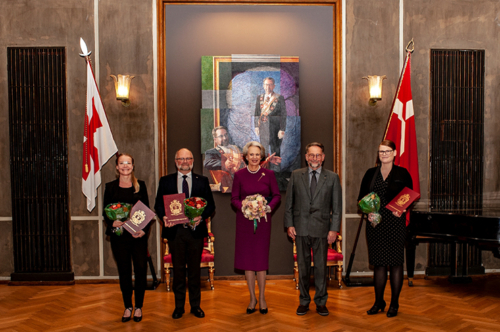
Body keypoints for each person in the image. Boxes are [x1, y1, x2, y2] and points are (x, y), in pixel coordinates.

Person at [154, 148, 216, 319]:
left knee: (195, 272)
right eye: (181, 158)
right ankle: (179, 306)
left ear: (192, 161)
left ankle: (196, 306)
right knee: (179, 272)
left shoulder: (202, 181)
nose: (184, 161)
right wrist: (164, 216)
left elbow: (211, 206)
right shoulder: (165, 181)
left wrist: (201, 217)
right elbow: (158, 204)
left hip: (195, 232)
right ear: (176, 161)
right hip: (175, 233)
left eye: (188, 158)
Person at [284, 142, 342, 317]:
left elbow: (337, 207)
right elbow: (289, 204)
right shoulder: (296, 175)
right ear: (306, 157)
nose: (314, 158)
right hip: (300, 228)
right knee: (302, 268)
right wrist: (289, 224)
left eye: (318, 155)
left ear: (323, 157)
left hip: (322, 229)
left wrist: (334, 230)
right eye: (311, 155)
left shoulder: (332, 178)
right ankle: (303, 301)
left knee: (320, 269)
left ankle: (321, 302)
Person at [358, 139, 413, 318]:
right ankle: (378, 302)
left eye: (387, 151)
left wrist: (404, 209)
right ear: (378, 154)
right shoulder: (370, 173)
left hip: (395, 224)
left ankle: (394, 303)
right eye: (381, 151)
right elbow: (361, 199)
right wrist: (367, 213)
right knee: (379, 264)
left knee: (396, 264)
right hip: (375, 224)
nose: (384, 154)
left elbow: (410, 196)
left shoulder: (402, 173)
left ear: (395, 153)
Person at [231, 141, 281, 315]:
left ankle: (263, 298)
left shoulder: (268, 175)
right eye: (251, 154)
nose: (254, 157)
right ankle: (252, 298)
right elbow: (234, 199)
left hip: (263, 222)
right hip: (245, 222)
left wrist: (268, 207)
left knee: (260, 261)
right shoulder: (239, 175)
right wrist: (244, 206)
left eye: (257, 154)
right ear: (246, 156)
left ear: (261, 157)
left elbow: (276, 196)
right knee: (247, 261)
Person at [103, 153, 150, 323]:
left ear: (132, 166)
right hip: (119, 238)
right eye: (121, 163)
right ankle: (127, 306)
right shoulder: (110, 187)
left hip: (137, 237)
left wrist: (143, 230)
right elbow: (105, 212)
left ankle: (138, 307)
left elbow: (147, 211)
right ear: (117, 167)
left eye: (128, 163)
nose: (125, 166)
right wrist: (112, 222)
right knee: (124, 273)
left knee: (140, 271)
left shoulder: (140, 186)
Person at [203, 126, 244, 192]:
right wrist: (224, 163)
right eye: (221, 136)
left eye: (226, 135)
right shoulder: (211, 152)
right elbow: (207, 163)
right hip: (226, 185)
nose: (225, 138)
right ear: (215, 139)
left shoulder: (238, 148)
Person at [254, 77, 287, 159]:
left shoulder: (279, 98)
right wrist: (256, 126)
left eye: (270, 85)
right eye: (266, 84)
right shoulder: (260, 97)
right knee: (263, 151)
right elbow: (257, 113)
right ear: (263, 86)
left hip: (275, 129)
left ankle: (276, 171)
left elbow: (283, 115)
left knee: (275, 151)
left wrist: (282, 129)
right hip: (263, 128)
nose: (268, 87)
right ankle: (263, 170)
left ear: (274, 86)